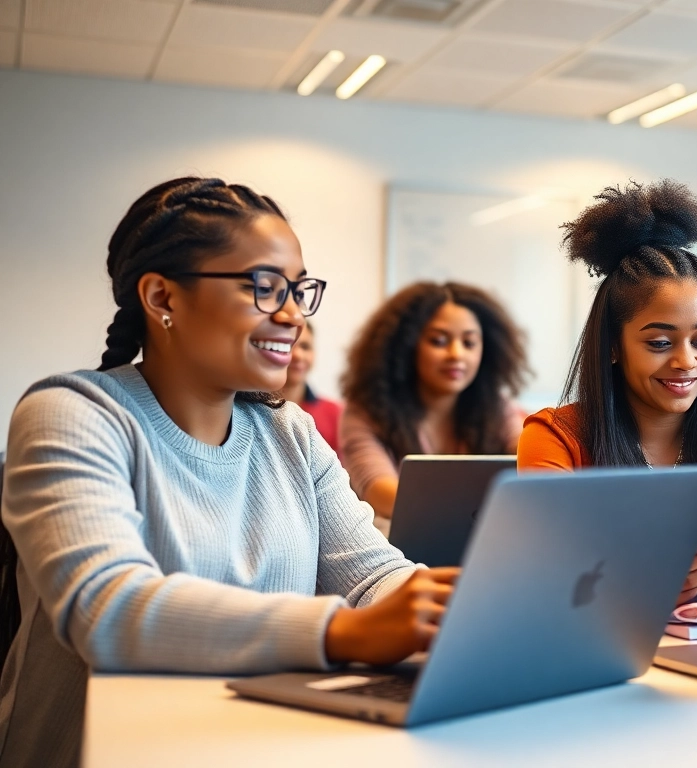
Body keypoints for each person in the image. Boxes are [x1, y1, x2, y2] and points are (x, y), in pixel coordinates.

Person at [0, 178, 454, 766]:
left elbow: (371, 578)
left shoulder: (290, 431)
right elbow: (106, 608)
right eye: (265, 288)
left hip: (257, 744)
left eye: (298, 290)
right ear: (162, 298)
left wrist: (450, 611)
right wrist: (341, 632)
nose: (292, 316)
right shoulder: (72, 413)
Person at [517, 180, 697, 605]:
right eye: (659, 343)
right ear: (614, 346)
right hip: (607, 646)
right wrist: (645, 585)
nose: (686, 362)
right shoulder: (555, 437)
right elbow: (547, 575)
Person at [340, 281, 529, 520]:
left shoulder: (497, 407)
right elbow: (378, 490)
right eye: (439, 341)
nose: (456, 354)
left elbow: (529, 457)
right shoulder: (366, 411)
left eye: (469, 343)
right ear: (407, 346)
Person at [282, 322, 343, 458]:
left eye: (305, 347)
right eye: (288, 345)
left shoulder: (334, 413)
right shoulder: (249, 410)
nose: (298, 355)